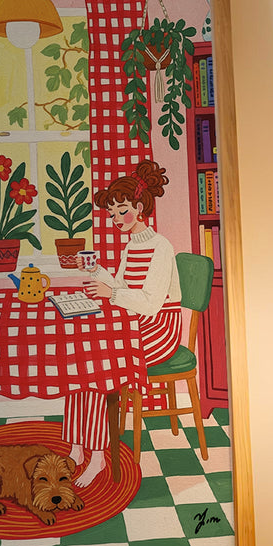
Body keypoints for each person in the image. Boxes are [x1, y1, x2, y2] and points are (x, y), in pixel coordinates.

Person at [64, 159, 184, 487]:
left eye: (122, 211)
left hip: (159, 328)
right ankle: (77, 445)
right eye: (113, 213)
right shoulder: (131, 246)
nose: (116, 219)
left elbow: (149, 304)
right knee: (80, 354)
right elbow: (119, 287)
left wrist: (111, 293)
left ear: (141, 207)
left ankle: (99, 456)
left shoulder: (161, 248)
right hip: (135, 324)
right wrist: (94, 270)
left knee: (98, 362)